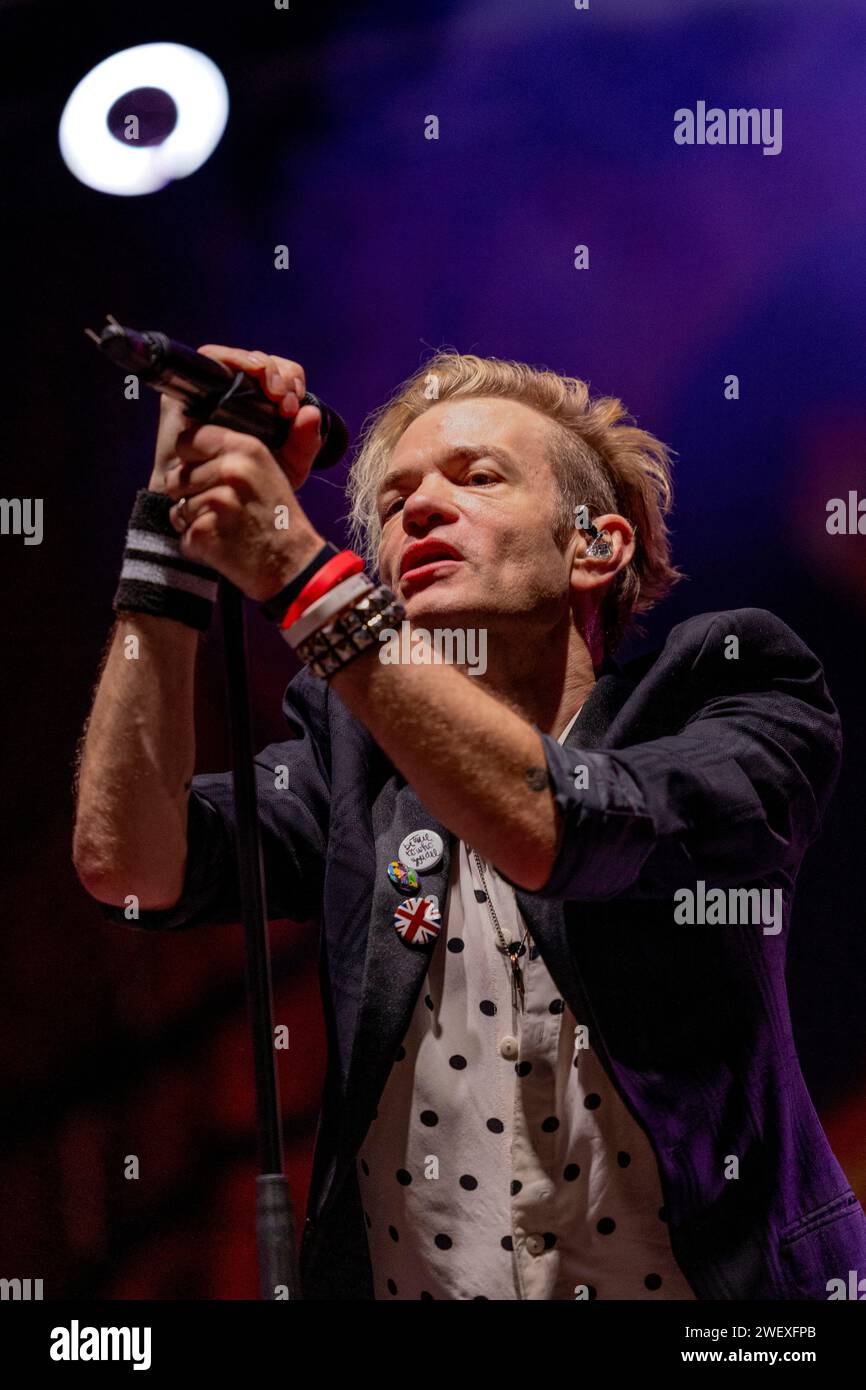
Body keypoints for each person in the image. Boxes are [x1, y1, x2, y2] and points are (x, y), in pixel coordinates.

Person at [72, 346, 866, 1301]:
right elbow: (128, 866)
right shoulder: (349, 756)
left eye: (477, 476)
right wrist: (168, 533)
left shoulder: (730, 689)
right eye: (397, 499)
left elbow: (563, 827)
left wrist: (300, 573)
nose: (421, 509)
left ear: (595, 545)